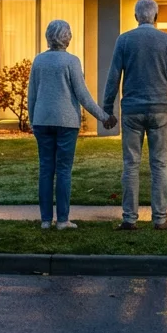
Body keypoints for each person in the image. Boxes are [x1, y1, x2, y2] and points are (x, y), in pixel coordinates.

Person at [102, 0, 167, 231]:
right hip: (160, 111)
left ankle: (129, 218)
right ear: (155, 17)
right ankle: (160, 219)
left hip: (132, 112)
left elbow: (113, 77)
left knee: (131, 164)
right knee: (159, 165)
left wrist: (108, 109)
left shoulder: (124, 40)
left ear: (136, 17)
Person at [28, 19, 115, 230]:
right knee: (64, 170)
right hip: (66, 123)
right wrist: (103, 116)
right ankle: (63, 220)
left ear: (48, 37)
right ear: (68, 37)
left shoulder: (38, 61)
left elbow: (32, 95)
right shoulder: (71, 62)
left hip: (42, 121)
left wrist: (33, 120)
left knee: (46, 169)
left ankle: (46, 220)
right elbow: (83, 95)